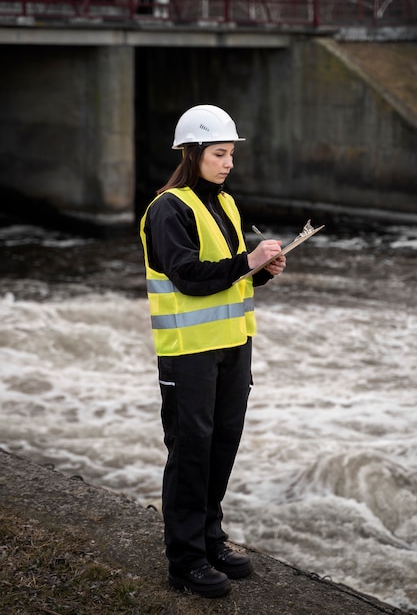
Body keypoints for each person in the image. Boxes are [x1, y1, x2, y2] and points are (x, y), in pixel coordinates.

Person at [139, 104, 286, 598]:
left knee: (222, 442)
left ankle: (209, 538)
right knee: (191, 451)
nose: (228, 163)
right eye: (219, 154)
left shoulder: (225, 203)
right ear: (193, 153)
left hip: (232, 346)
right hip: (188, 352)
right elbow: (188, 278)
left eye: (231, 155)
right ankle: (185, 561)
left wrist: (261, 270)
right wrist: (247, 260)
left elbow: (228, 274)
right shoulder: (167, 209)